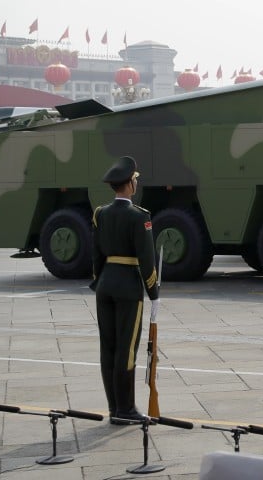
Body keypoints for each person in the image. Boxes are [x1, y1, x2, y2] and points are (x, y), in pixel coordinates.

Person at [90, 156, 159, 424]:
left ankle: (114, 408)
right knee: (126, 349)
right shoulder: (138, 216)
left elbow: (96, 253)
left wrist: (98, 280)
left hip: (105, 283)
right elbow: (146, 258)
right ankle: (127, 410)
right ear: (130, 184)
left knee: (107, 347)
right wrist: (153, 291)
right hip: (128, 286)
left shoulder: (101, 213)